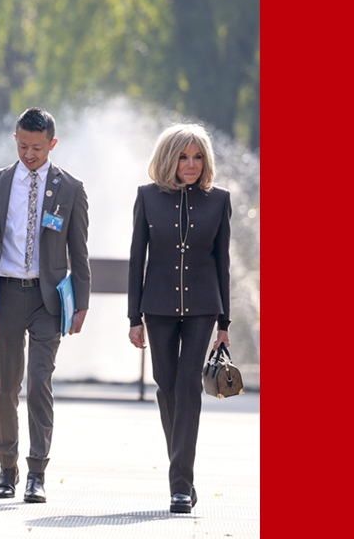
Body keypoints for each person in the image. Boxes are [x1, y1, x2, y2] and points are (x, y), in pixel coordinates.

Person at [0, 107, 90, 504]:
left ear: (52, 144)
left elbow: (79, 251)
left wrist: (81, 303)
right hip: (6, 294)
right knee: (5, 386)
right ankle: (6, 468)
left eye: (38, 148)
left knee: (40, 383)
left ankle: (37, 472)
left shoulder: (70, 188)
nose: (29, 154)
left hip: (48, 301)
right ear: (15, 139)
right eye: (23, 146)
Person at [126, 123, 232, 514]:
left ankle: (180, 486)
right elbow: (137, 259)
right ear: (169, 158)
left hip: (203, 307)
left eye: (198, 157)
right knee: (166, 385)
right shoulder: (147, 197)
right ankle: (183, 472)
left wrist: (225, 324)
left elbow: (222, 262)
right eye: (184, 156)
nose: (191, 164)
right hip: (157, 308)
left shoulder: (219, 200)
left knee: (188, 385)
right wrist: (134, 317)